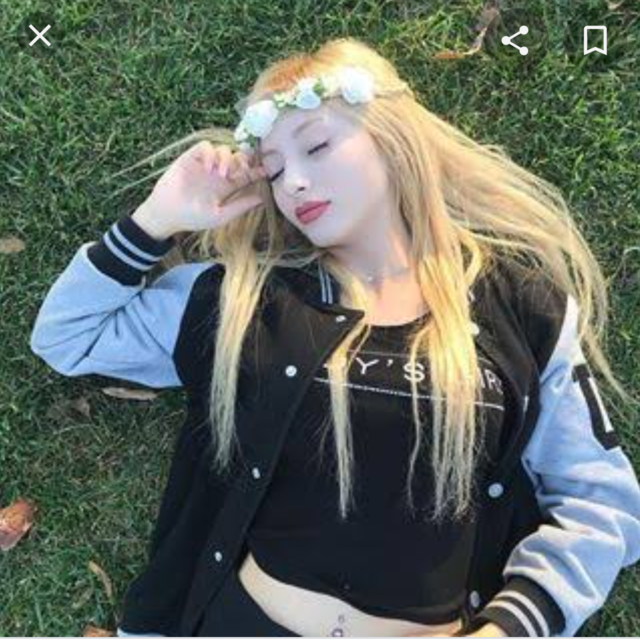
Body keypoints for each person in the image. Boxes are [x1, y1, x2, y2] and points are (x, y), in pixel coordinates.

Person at [29, 37, 640, 638]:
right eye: (274, 170)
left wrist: (511, 628)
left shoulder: (522, 309)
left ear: (392, 138)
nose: (293, 182)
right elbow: (66, 335)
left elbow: (603, 505)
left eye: (317, 146)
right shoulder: (243, 301)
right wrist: (156, 220)